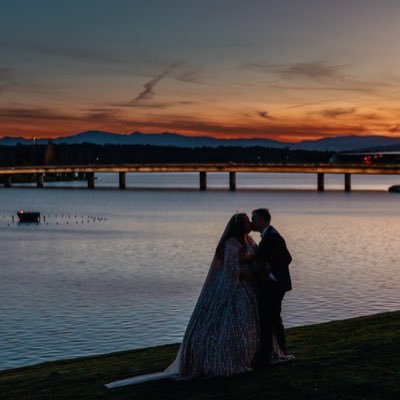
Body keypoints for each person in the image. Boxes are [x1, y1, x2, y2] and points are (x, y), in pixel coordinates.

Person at [106, 213, 260, 388]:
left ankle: (250, 354)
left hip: (247, 289)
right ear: (240, 226)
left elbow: (256, 254)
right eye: (247, 221)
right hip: (235, 288)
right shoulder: (231, 244)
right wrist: (249, 271)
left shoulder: (249, 240)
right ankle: (225, 360)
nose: (250, 223)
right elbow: (232, 270)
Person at [250, 208, 294, 368]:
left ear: (261, 220)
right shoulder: (269, 236)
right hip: (276, 285)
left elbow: (287, 258)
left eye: (253, 219)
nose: (251, 222)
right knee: (273, 318)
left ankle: (270, 355)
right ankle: (277, 352)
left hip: (275, 286)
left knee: (269, 318)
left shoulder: (273, 237)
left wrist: (271, 276)